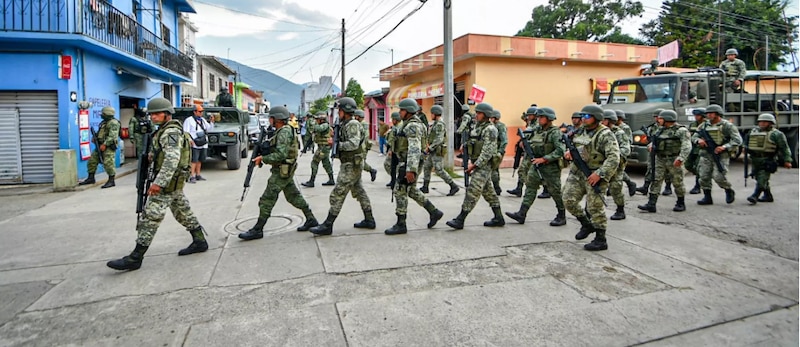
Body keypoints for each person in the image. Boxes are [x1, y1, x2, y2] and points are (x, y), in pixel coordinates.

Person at [106, 98, 207, 271]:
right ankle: (199, 241)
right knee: (183, 212)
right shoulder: (164, 131)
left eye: (157, 113)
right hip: (173, 184)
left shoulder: (170, 133)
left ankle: (135, 257)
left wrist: (158, 183)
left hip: (167, 184)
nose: (153, 117)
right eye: (151, 114)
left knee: (150, 218)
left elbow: (171, 160)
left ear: (167, 114)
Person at [238, 106, 319, 240]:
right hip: (284, 170)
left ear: (277, 119)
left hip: (282, 171)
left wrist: (263, 158)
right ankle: (311, 219)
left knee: (266, 200)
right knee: (293, 196)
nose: (269, 120)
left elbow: (281, 155)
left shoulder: (284, 132)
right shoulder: (283, 130)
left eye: (271, 118)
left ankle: (258, 229)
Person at [310, 97, 375, 235]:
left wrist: (335, 145)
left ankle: (328, 225)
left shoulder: (352, 124)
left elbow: (353, 144)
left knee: (338, 193)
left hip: (351, 164)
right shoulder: (345, 124)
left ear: (345, 110)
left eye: (340, 110)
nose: (338, 112)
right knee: (359, 192)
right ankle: (369, 219)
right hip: (350, 163)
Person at [563, 104, 620, 251]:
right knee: (568, 200)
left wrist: (600, 174)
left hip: (595, 174)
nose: (583, 119)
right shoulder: (578, 131)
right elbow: (574, 146)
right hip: (577, 172)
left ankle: (601, 239)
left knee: (595, 207)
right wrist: (568, 153)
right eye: (582, 116)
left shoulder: (605, 134)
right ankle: (586, 224)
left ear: (597, 118)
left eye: (587, 116)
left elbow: (614, 157)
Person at [385, 99, 445, 235]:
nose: (399, 112)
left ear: (408, 111)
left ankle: (401, 224)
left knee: (400, 190)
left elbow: (414, 148)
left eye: (401, 110)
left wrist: (410, 169)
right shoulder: (409, 124)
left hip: (409, 162)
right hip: (407, 161)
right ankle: (434, 212)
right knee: (411, 190)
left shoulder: (413, 126)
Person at [446, 102, 505, 229]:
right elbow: (474, 140)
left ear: (486, 115)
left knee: (472, 191)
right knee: (489, 193)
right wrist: (465, 145)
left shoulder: (491, 129)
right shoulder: (478, 127)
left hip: (484, 165)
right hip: (478, 164)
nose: (476, 115)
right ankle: (499, 217)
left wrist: (474, 166)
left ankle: (460, 219)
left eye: (479, 113)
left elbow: (487, 152)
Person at [505, 107, 566, 226]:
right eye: (538, 117)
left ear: (549, 119)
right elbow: (530, 137)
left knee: (555, 192)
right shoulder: (537, 130)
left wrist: (544, 159)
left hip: (550, 167)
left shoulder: (555, 132)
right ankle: (521, 214)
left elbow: (560, 150)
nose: (539, 119)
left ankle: (561, 215)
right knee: (530, 188)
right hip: (536, 164)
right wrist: (524, 142)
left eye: (541, 117)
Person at [637, 110, 692, 213]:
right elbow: (656, 141)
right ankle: (651, 204)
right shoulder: (660, 130)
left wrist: (681, 158)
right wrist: (651, 145)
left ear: (668, 119)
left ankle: (681, 202)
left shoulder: (681, 130)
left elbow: (687, 145)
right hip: (660, 158)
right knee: (656, 179)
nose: (658, 120)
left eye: (661, 118)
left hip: (674, 159)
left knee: (677, 181)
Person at [691, 104, 742, 205]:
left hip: (721, 155)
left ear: (718, 114)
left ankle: (728, 189)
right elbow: (694, 137)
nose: (708, 115)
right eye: (707, 113)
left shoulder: (727, 125)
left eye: (711, 113)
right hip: (706, 154)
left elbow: (737, 140)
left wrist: (724, 147)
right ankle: (707, 197)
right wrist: (698, 140)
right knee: (703, 177)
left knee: (718, 176)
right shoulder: (703, 125)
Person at [744, 114, 793, 204]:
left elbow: (784, 148)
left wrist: (787, 160)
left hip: (768, 159)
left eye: (765, 122)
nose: (762, 123)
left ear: (771, 123)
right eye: (760, 122)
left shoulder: (777, 134)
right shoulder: (753, 131)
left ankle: (755, 195)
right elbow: (747, 142)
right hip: (755, 159)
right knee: (757, 177)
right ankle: (768, 195)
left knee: (762, 178)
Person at [420, 105, 460, 196]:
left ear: (436, 114)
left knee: (439, 170)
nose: (431, 115)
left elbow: (439, 139)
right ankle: (425, 187)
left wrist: (429, 148)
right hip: (433, 150)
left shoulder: (439, 124)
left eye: (432, 114)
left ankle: (453, 186)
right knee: (427, 167)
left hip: (437, 150)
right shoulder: (435, 123)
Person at [79, 106, 120, 188]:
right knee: (92, 161)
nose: (101, 115)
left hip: (108, 146)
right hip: (100, 145)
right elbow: (100, 132)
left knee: (108, 164)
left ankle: (111, 180)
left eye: (103, 113)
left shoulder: (114, 123)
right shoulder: (104, 122)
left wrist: (105, 144)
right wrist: (95, 138)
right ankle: (91, 178)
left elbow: (113, 136)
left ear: (107, 114)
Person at [601, 110, 631, 220]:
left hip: (616, 165)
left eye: (604, 120)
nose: (601, 122)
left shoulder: (619, 133)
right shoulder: (599, 132)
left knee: (615, 187)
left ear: (610, 121)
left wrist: (613, 156)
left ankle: (620, 209)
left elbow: (626, 149)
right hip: (600, 164)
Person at [636, 109, 672, 196]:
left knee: (667, 171)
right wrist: (647, 140)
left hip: (663, 152)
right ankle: (646, 186)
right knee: (650, 168)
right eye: (655, 117)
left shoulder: (665, 127)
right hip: (652, 151)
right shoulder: (652, 127)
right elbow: (648, 138)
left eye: (658, 117)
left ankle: (668, 187)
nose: (656, 119)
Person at [507, 107, 538, 197]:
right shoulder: (530, 124)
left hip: (535, 151)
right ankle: (519, 189)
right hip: (528, 151)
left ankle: (547, 190)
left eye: (530, 115)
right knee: (522, 170)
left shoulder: (537, 125)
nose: (528, 117)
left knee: (539, 171)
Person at [301, 112, 336, 187]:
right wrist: (305, 147)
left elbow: (318, 129)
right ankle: (331, 179)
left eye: (317, 119)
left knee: (314, 162)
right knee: (326, 163)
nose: (316, 121)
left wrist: (312, 124)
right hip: (323, 147)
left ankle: (311, 181)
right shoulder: (320, 125)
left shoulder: (325, 125)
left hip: (323, 148)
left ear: (321, 120)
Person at [183, 105, 212, 183]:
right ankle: (192, 176)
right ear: (194, 112)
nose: (201, 113)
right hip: (195, 143)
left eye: (202, 111)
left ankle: (198, 175)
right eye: (199, 111)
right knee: (194, 160)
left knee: (200, 159)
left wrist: (211, 121)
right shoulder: (189, 120)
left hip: (203, 142)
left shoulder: (202, 120)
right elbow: (185, 132)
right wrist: (189, 140)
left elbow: (208, 128)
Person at [615, 109, 637, 196]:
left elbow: (628, 141)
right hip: (614, 150)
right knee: (615, 170)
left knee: (619, 170)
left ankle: (630, 183)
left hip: (622, 151)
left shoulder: (625, 128)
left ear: (620, 118)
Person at [686, 108, 706, 194]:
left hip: (701, 149)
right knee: (687, 165)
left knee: (698, 167)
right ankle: (701, 175)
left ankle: (697, 186)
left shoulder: (706, 125)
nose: (696, 117)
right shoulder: (693, 124)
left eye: (698, 115)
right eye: (695, 115)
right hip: (693, 148)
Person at [354, 110, 378, 182]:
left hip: (362, 146)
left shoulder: (363, 124)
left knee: (360, 162)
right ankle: (371, 171)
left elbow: (364, 136)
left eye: (356, 116)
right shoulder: (360, 123)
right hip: (362, 146)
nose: (355, 117)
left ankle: (371, 171)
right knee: (359, 162)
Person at [488, 110, 508, 195]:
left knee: (494, 169)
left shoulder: (500, 126)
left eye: (492, 118)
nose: (490, 119)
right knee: (493, 169)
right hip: (492, 150)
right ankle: (496, 187)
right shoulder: (492, 126)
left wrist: (500, 151)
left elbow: (504, 140)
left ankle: (497, 188)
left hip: (497, 151)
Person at [384, 112, 402, 188]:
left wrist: (391, 149)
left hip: (396, 151)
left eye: (393, 119)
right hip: (393, 150)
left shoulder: (399, 128)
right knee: (392, 166)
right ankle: (393, 181)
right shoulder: (395, 127)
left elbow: (394, 140)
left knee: (396, 166)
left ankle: (396, 181)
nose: (392, 121)